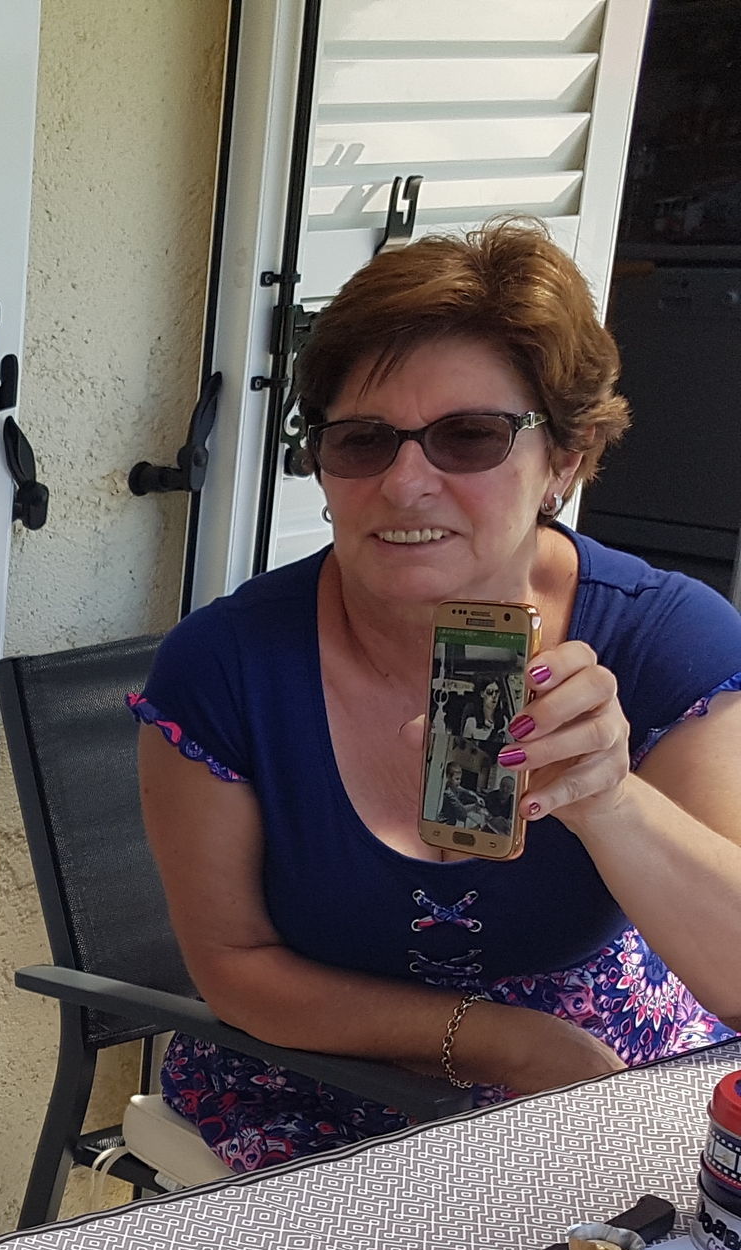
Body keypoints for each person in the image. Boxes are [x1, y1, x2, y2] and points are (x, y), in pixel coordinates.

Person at [132, 218, 741, 1171]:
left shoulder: (666, 639)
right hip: (322, 1080)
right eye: (363, 440)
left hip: (607, 1067)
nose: (406, 482)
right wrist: (505, 1042)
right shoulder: (225, 666)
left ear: (565, 458)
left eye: (470, 437)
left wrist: (609, 802)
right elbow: (236, 967)